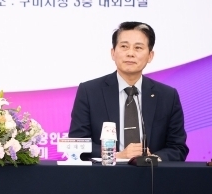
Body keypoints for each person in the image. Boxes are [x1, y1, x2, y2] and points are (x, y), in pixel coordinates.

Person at [68, 21, 188, 161]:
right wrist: (116, 156)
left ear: (150, 56)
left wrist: (153, 159)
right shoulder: (89, 92)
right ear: (113, 53)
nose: (130, 53)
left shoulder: (167, 96)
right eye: (124, 46)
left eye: (138, 48)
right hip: (105, 172)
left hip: (151, 173)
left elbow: (178, 147)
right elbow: (78, 144)